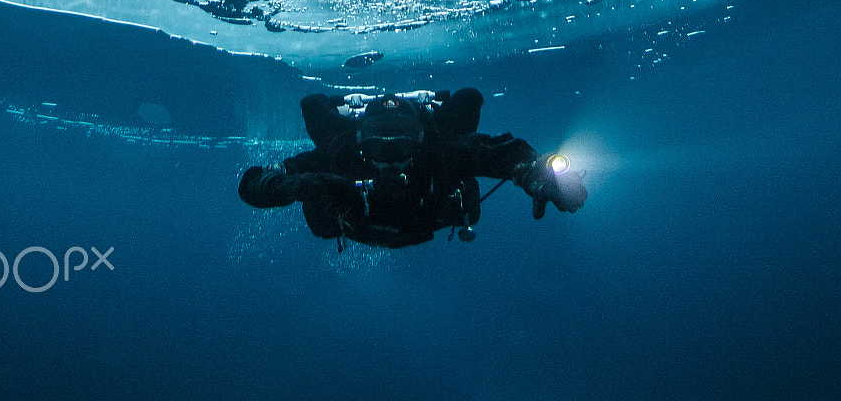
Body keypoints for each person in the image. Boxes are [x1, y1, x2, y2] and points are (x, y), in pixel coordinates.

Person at [238, 88, 586, 249]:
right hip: (361, 222)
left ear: (419, 140)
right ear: (361, 142)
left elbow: (500, 152)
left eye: (401, 146)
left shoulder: (441, 153)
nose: (390, 157)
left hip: (421, 219)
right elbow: (252, 182)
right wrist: (288, 187)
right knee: (314, 111)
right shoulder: (339, 156)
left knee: (466, 105)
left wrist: (538, 174)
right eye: (379, 146)